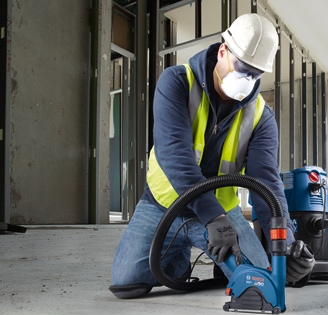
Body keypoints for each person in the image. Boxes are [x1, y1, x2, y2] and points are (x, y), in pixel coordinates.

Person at [109, 13, 314, 299]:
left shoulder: (260, 117)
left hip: (224, 214)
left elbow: (265, 181)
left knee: (261, 281)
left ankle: (220, 262)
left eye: (255, 74)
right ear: (223, 52)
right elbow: (175, 158)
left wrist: (286, 243)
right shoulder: (177, 83)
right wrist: (211, 217)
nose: (247, 80)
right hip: (163, 205)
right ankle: (178, 256)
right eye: (243, 68)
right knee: (126, 284)